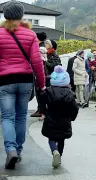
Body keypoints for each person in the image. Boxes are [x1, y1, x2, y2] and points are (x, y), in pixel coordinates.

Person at [0, 1, 45, 169]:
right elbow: (36, 62)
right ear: (21, 15)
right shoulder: (30, 35)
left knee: (7, 117)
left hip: (5, 81)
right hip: (25, 80)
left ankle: (10, 149)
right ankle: (18, 151)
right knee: (20, 117)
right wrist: (41, 83)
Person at [40, 66, 79, 168]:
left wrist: (43, 112)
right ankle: (59, 156)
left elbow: (42, 104)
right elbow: (75, 108)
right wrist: (72, 117)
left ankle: (54, 151)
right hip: (64, 119)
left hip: (51, 118)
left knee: (51, 138)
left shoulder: (48, 92)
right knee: (61, 139)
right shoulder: (70, 93)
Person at [31, 32, 48, 118]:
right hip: (42, 72)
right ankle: (40, 109)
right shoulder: (42, 47)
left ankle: (41, 110)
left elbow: (39, 62)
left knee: (40, 93)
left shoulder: (40, 48)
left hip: (40, 73)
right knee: (40, 93)